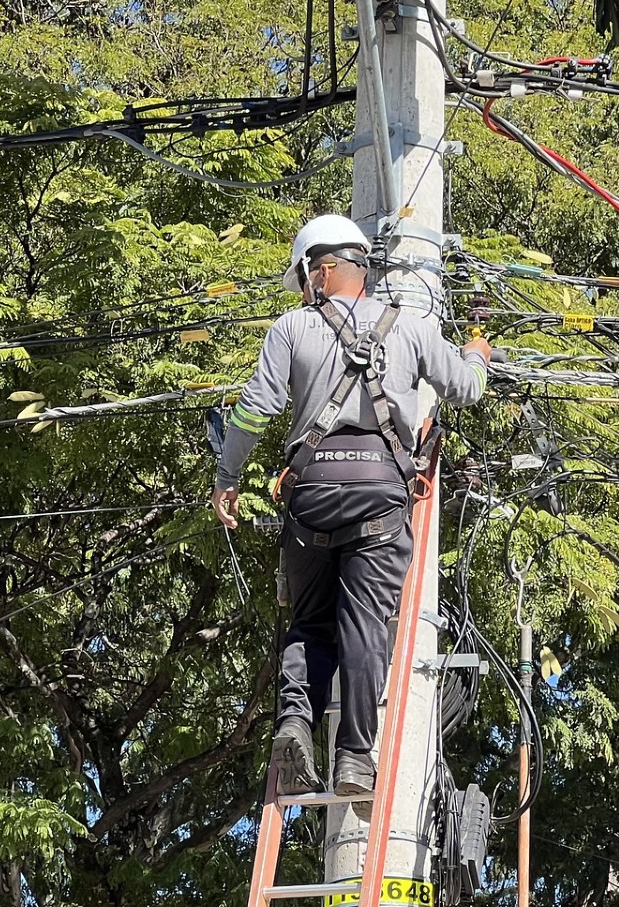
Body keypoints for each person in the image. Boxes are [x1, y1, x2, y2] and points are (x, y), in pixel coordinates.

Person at [212, 215, 491, 805]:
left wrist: (226, 478)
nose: (308, 285)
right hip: (379, 496)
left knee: (309, 623)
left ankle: (295, 721)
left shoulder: (290, 329)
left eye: (309, 274)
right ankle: (355, 761)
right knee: (365, 626)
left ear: (324, 267)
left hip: (311, 495)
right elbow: (466, 387)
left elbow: (254, 412)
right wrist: (477, 353)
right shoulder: (412, 326)